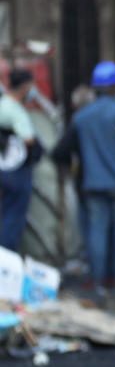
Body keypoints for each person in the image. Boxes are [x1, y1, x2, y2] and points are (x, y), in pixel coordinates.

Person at [54, 61, 115, 290]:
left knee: (97, 234)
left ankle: (99, 281)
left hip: (94, 185)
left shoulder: (81, 117)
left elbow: (61, 151)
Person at [0, 69, 39, 251]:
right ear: (24, 88)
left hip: (6, 169)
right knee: (13, 219)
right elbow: (28, 139)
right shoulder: (13, 109)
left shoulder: (3, 104)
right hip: (15, 173)